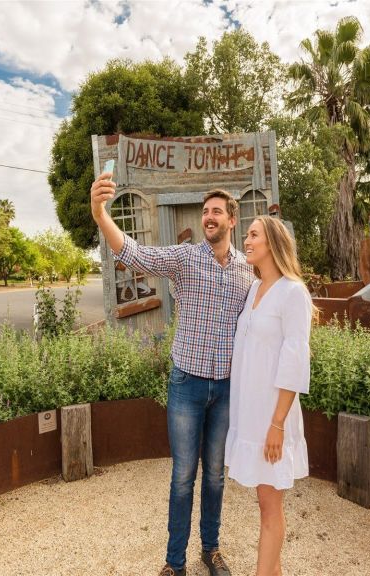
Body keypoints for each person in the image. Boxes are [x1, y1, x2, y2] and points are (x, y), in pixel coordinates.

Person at [90, 169, 255, 576]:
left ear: (232, 220)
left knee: (215, 475)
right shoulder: (185, 259)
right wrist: (100, 214)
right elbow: (134, 254)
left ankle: (211, 550)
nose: (209, 217)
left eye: (217, 211)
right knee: (184, 475)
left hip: (226, 390)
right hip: (187, 385)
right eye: (205, 212)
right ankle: (174, 563)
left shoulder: (247, 272)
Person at [224, 216, 312, 576]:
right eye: (246, 234)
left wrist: (277, 424)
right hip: (252, 413)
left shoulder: (293, 292)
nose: (246, 239)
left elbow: (294, 361)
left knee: (270, 506)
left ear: (273, 242)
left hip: (274, 417)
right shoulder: (254, 290)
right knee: (264, 502)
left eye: (253, 234)